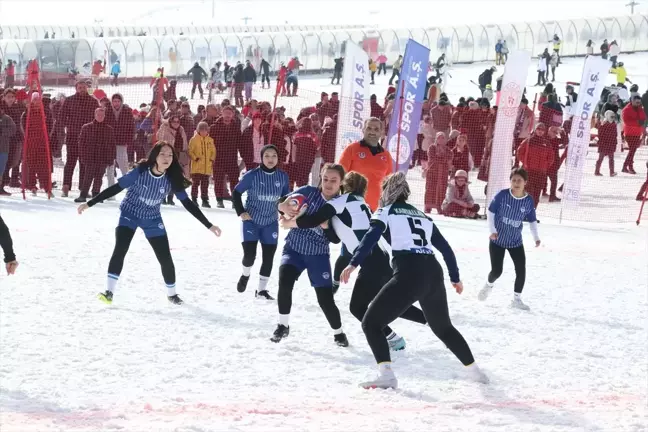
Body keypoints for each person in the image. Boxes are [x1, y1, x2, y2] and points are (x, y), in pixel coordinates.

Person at [340, 172, 488, 389]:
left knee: (371, 323)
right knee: (444, 328)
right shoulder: (422, 215)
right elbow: (446, 248)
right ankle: (476, 372)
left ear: (387, 192)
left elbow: (370, 237)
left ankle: (387, 375)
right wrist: (455, 278)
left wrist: (353, 263)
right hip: (433, 272)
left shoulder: (385, 211)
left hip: (409, 271)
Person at [281, 171, 428, 352]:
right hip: (380, 258)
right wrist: (326, 227)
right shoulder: (361, 203)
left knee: (358, 307)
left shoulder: (341, 202)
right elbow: (336, 237)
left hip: (371, 261)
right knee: (387, 303)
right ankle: (428, 319)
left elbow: (314, 219)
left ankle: (396, 337)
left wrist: (290, 223)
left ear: (344, 185)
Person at [77, 141, 222, 305]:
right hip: (129, 214)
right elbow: (116, 188)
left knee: (165, 257)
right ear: (155, 156)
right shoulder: (140, 171)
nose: (167, 158)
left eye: (170, 155)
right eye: (163, 154)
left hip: (152, 219)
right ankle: (109, 292)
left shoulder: (172, 178)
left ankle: (172, 295)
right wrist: (90, 203)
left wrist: (209, 225)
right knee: (120, 249)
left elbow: (188, 204)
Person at [271, 163, 348, 347]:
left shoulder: (340, 205)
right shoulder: (308, 192)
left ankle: (338, 333)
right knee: (285, 281)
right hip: (294, 248)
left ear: (341, 182)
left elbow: (336, 240)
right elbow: (281, 202)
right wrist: (281, 206)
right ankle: (282, 325)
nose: (328, 184)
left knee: (325, 299)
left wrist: (327, 227)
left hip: (318, 255)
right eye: (325, 179)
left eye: (333, 180)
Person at [478, 168, 541, 311]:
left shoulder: (528, 201)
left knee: (521, 270)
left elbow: (532, 220)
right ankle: (488, 285)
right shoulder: (502, 195)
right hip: (498, 240)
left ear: (525, 182)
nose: (516, 183)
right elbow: (491, 211)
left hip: (515, 242)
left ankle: (516, 300)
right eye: (513, 180)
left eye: (519, 180)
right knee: (496, 271)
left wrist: (536, 237)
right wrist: (492, 231)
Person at [232, 145, 289, 300]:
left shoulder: (283, 177)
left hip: (270, 222)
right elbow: (236, 193)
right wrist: (241, 212)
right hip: (251, 221)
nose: (271, 159)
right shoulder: (252, 175)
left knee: (268, 257)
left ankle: (261, 290)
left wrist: (284, 214)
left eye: (274, 156)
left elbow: (286, 199)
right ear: (262, 158)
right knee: (250, 255)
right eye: (267, 156)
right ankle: (245, 275)